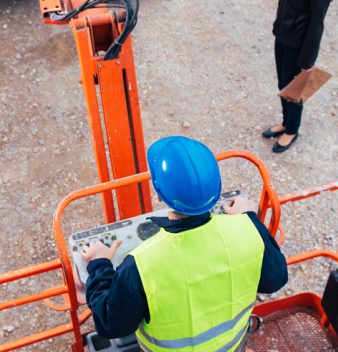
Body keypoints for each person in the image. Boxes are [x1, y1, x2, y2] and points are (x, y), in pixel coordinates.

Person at [80, 136, 288, 351]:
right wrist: (249, 217)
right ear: (216, 189)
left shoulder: (142, 264)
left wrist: (99, 264)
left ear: (160, 195)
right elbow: (275, 280)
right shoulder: (247, 230)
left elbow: (111, 324)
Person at [263, 0, 338, 153]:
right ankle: (285, 121)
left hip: (298, 43)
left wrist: (308, 59)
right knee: (283, 83)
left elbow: (317, 23)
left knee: (294, 89)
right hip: (283, 33)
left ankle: (292, 130)